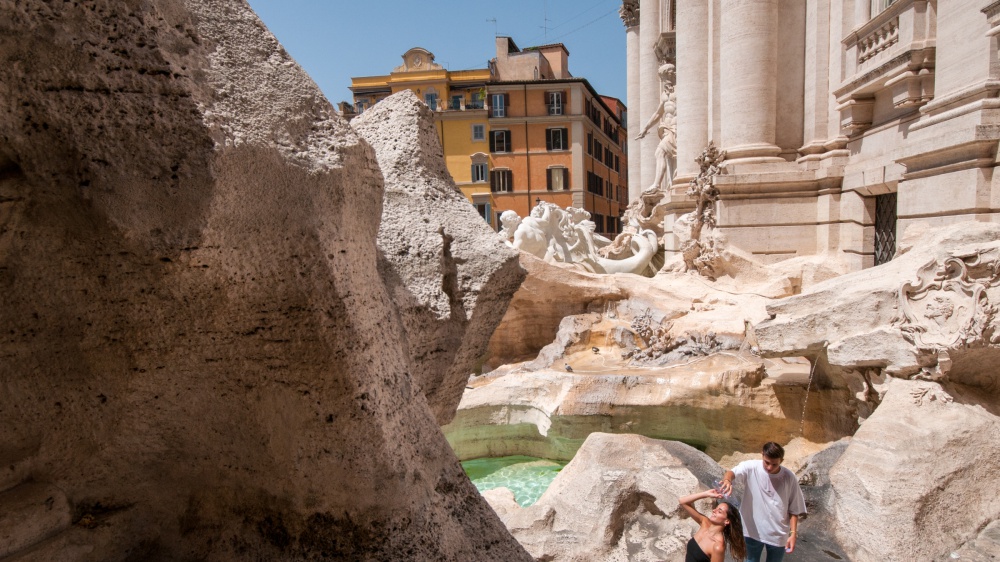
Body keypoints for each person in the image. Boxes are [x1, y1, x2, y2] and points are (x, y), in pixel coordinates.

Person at [719, 442, 807, 561]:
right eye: (767, 462)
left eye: (774, 464)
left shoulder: (789, 477)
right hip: (752, 531)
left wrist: (793, 534)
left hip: (778, 534)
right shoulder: (751, 467)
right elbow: (731, 473)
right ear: (762, 454)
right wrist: (727, 480)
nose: (770, 467)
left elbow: (794, 508)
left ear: (781, 460)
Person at [635, 63, 677, 192]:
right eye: (663, 77)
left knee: (660, 152)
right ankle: (667, 184)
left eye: (667, 76)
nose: (665, 80)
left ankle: (657, 184)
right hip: (667, 128)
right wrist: (645, 128)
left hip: (676, 128)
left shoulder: (680, 89)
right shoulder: (665, 96)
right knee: (667, 158)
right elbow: (658, 114)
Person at [678, 488, 748, 562]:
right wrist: (706, 494)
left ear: (727, 521)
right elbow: (682, 502)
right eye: (716, 509)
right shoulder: (704, 523)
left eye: (719, 511)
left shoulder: (717, 546)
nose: (714, 511)